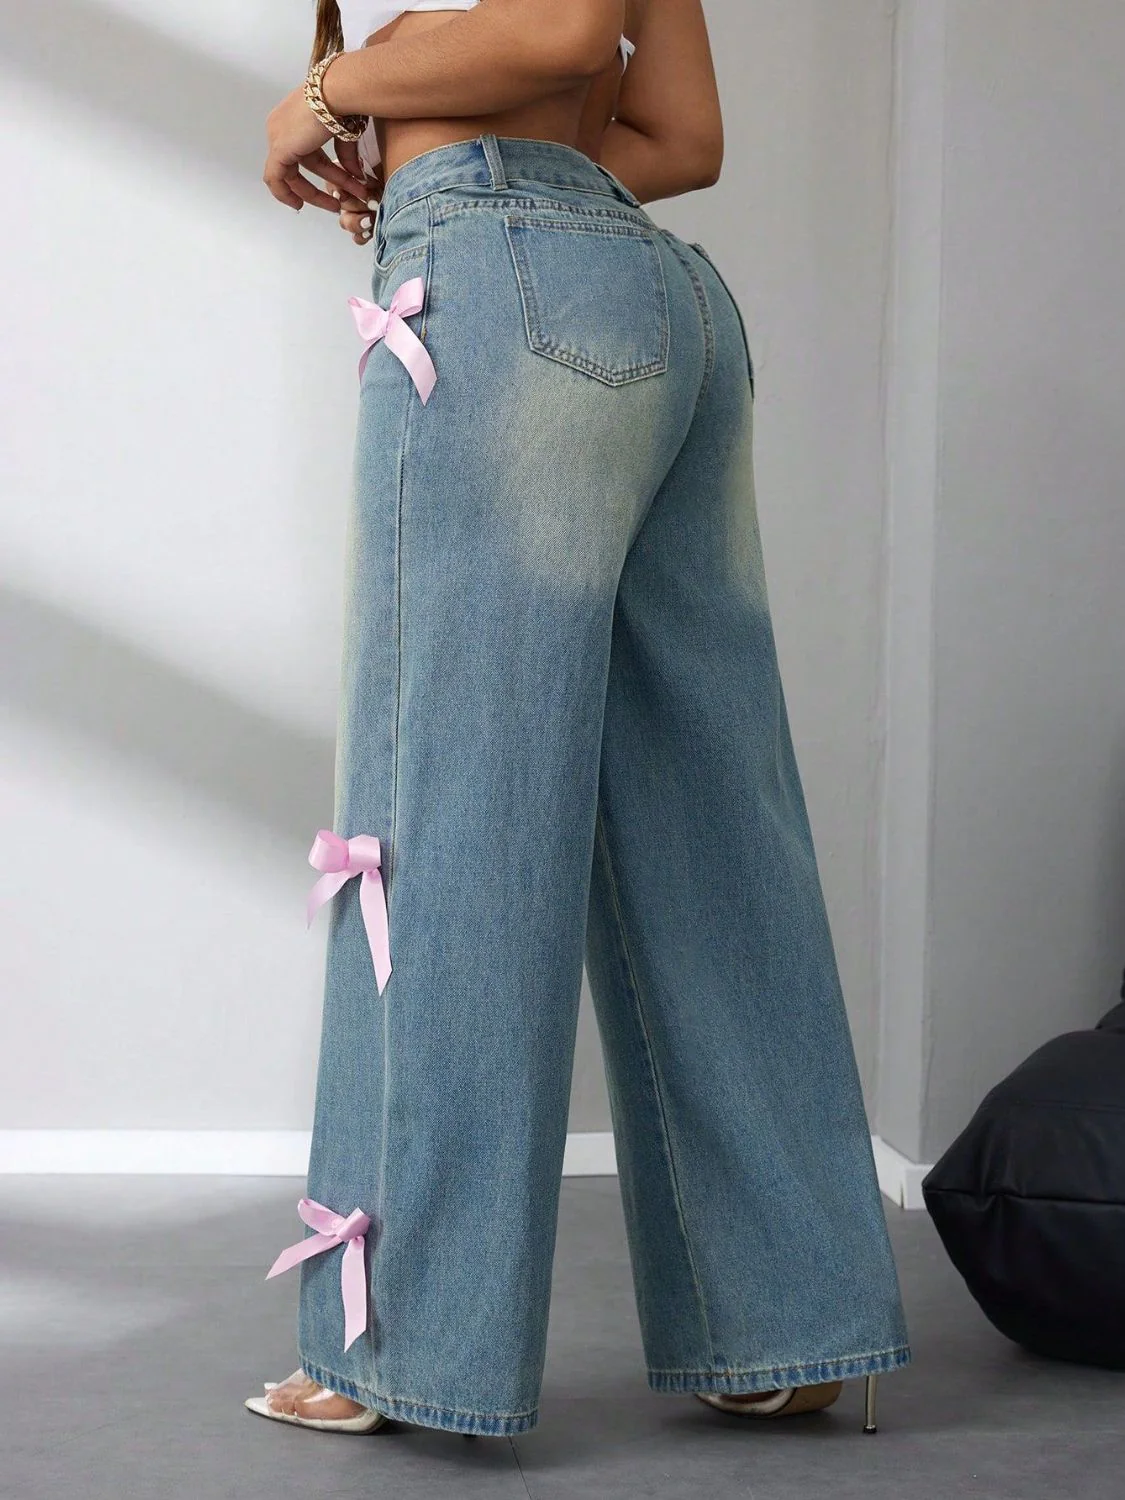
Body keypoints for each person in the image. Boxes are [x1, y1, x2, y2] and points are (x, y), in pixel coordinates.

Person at [246, 0, 911, 1439]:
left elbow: (558, 30)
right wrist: (452, 146)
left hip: (499, 303)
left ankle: (401, 1348)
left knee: (445, 814)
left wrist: (331, 95)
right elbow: (682, 133)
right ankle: (783, 1322)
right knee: (705, 827)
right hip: (657, 302)